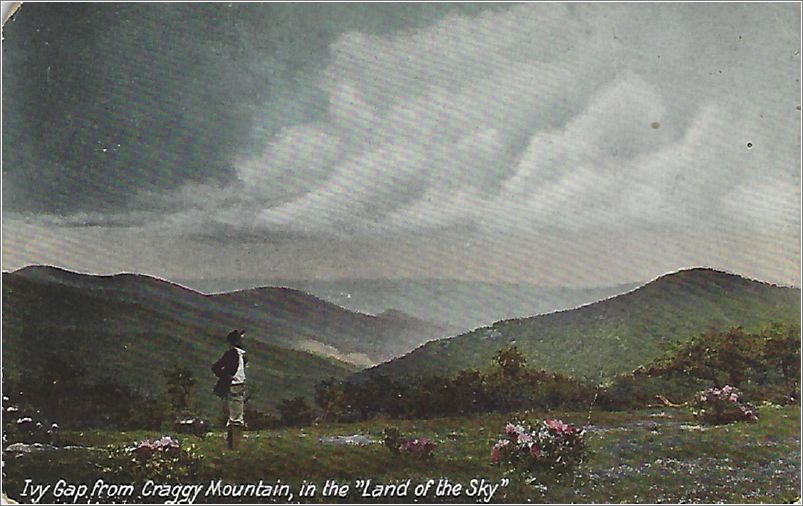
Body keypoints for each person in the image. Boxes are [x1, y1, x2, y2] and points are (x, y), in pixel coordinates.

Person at [211, 329, 247, 449]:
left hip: (238, 386)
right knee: (236, 418)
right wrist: (229, 378)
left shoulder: (239, 354)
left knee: (236, 415)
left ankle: (234, 444)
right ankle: (234, 446)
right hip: (235, 387)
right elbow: (216, 367)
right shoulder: (232, 354)